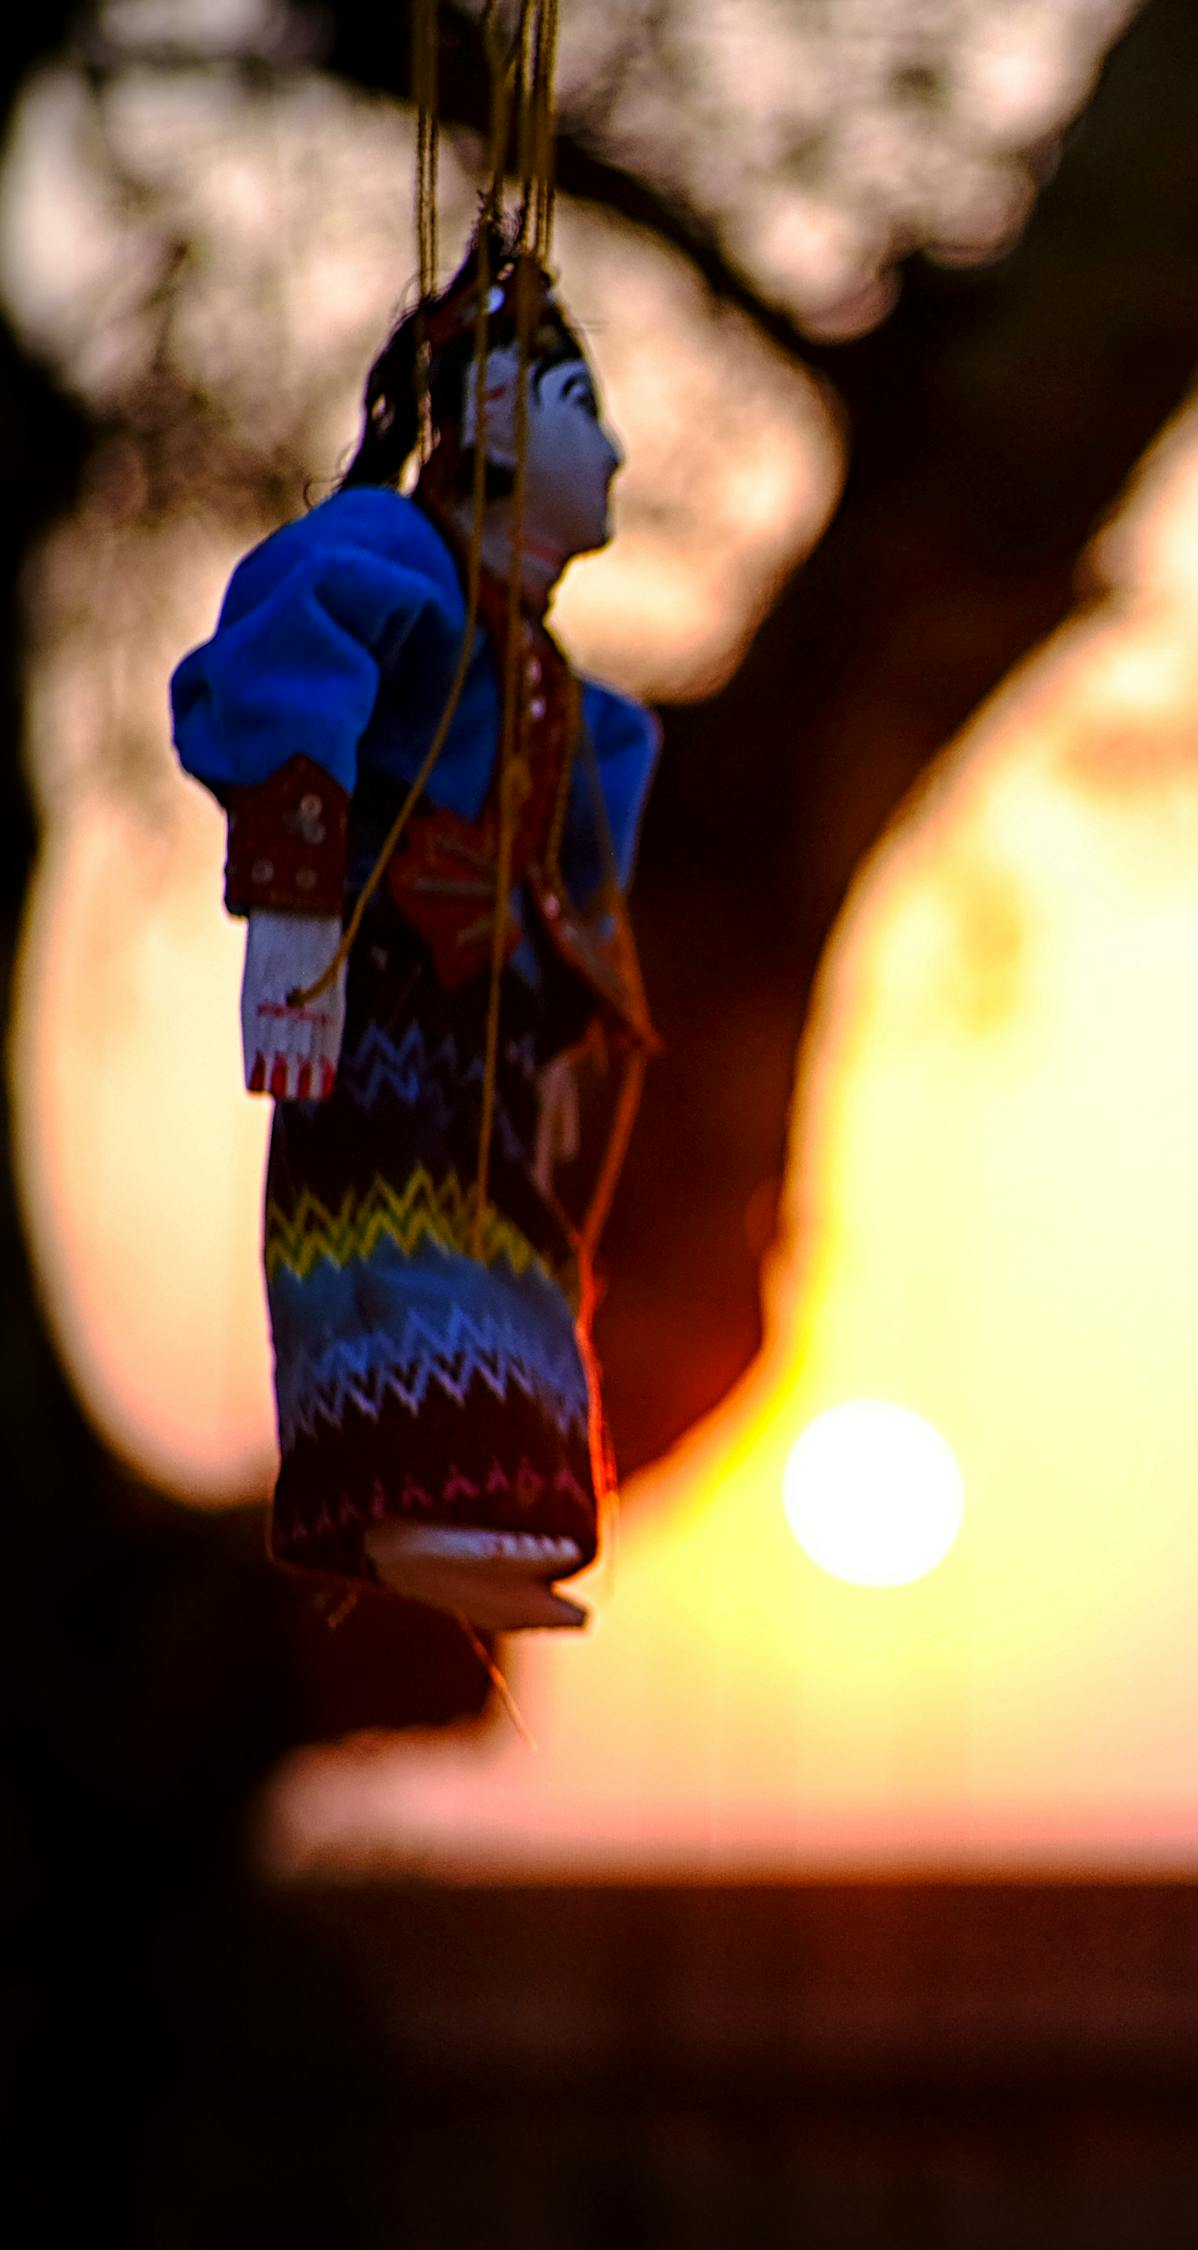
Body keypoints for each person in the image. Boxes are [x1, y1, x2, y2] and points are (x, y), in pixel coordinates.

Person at [168, 230, 653, 1632]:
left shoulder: (551, 667)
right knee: (380, 1222)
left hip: (493, 1014)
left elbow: (581, 858)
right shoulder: (395, 558)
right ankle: (404, 1480)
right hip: (384, 980)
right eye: (587, 418)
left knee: (520, 1245)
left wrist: (578, 1031)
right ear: (495, 419)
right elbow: (288, 656)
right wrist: (293, 894)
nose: (616, 458)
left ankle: (502, 1497)